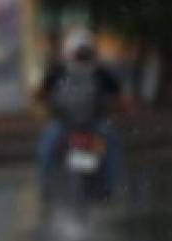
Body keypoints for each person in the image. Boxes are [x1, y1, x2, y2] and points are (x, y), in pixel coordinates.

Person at [36, 28, 127, 196]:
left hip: (89, 124)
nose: (81, 57)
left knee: (111, 146)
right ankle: (47, 185)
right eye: (80, 53)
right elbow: (42, 94)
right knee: (46, 149)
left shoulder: (98, 72)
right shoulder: (60, 71)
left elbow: (40, 95)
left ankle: (109, 186)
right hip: (71, 124)